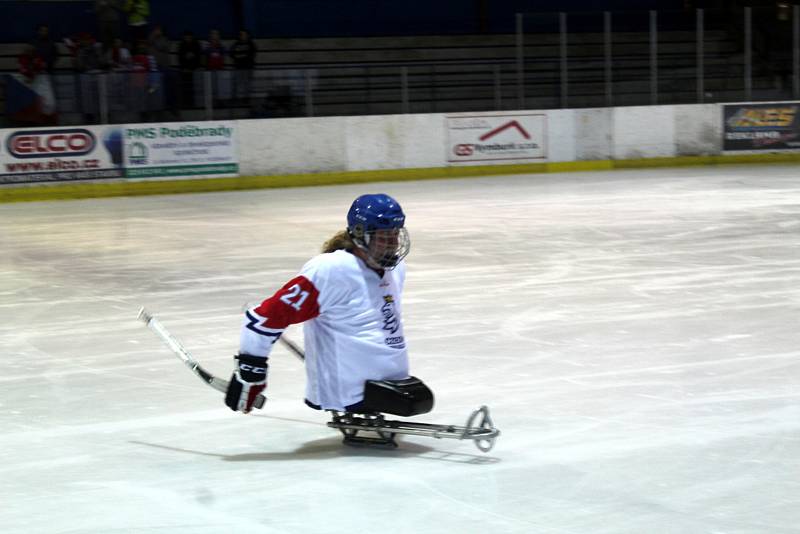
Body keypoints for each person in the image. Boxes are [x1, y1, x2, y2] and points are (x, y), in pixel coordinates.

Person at [225, 194, 431, 417]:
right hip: (348, 392)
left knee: (419, 400)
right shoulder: (332, 270)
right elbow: (266, 318)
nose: (393, 245)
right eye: (383, 236)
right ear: (360, 235)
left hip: (392, 381)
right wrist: (251, 370)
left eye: (395, 235)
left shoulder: (396, 269)